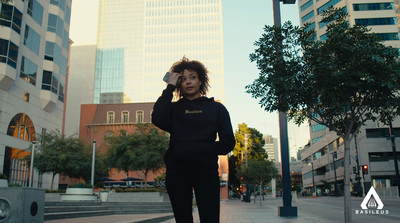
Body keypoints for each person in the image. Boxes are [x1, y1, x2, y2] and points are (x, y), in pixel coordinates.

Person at [152, 57, 235, 223]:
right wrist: (169, 87)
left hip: (206, 171)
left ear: (201, 81)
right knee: (183, 219)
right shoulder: (174, 109)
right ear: (178, 84)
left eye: (192, 77)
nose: (188, 82)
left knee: (210, 219)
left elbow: (228, 143)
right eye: (182, 79)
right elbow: (157, 118)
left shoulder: (216, 109)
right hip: (177, 172)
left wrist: (202, 149)